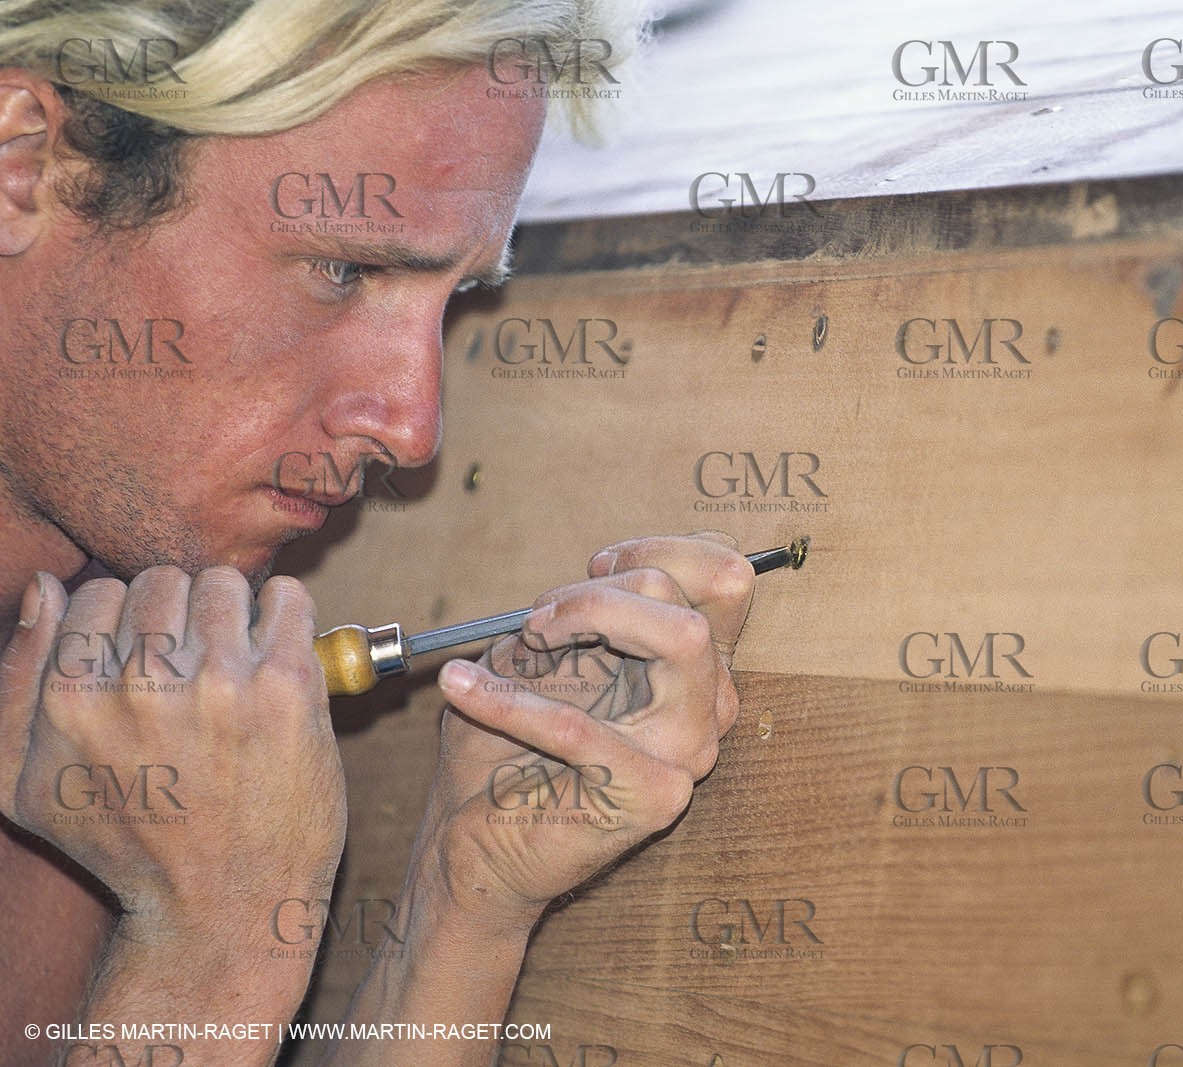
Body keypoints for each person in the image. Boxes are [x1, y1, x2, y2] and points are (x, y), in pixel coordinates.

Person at [0, 2, 752, 1063]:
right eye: (345, 270)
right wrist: (220, 939)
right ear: (27, 160)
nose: (412, 426)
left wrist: (460, 904)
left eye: (453, 296)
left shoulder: (97, 657)